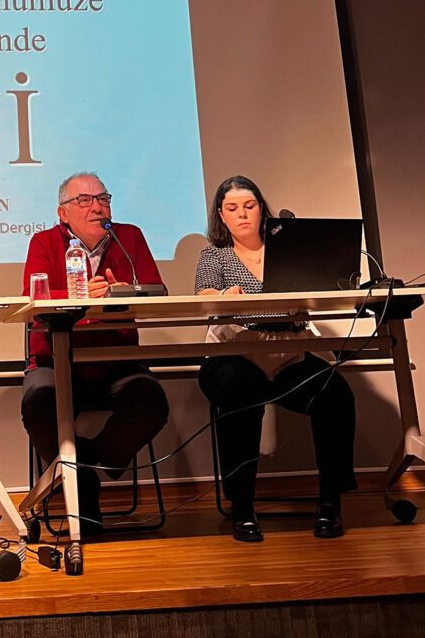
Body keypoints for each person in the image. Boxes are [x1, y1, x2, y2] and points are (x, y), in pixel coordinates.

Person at [195, 175, 356, 542]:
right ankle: (242, 507)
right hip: (237, 350)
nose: (242, 214)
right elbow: (203, 294)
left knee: (335, 394)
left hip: (290, 349)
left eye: (249, 206)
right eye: (232, 208)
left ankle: (330, 503)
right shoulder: (214, 255)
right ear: (221, 215)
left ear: (261, 209)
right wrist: (222, 295)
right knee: (239, 389)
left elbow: (321, 287)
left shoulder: (290, 249)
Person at [21, 172, 170, 534]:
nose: (97, 207)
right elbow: (32, 298)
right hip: (56, 361)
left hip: (117, 361)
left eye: (103, 199)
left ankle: (83, 462)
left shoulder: (129, 237)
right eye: (84, 200)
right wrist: (79, 295)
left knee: (151, 403)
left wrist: (127, 292)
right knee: (38, 405)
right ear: (63, 213)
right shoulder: (43, 242)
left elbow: (157, 291)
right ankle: (83, 489)